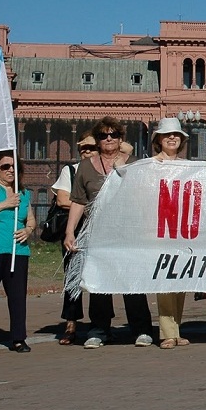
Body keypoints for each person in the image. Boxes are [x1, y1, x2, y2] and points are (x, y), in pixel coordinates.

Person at [64, 117, 154, 349]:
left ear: (121, 138)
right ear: (98, 139)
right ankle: (99, 329)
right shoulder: (85, 166)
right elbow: (78, 201)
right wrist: (69, 232)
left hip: (127, 233)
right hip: (97, 234)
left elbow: (144, 198)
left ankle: (142, 329)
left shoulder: (133, 163)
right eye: (104, 135)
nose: (109, 139)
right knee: (98, 281)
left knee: (131, 281)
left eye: (113, 134)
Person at [150, 118, 192, 349]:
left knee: (180, 279)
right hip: (160, 227)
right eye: (167, 135)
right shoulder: (150, 165)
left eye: (176, 134)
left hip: (183, 229)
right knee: (165, 280)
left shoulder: (188, 166)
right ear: (158, 139)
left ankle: (176, 329)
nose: (172, 138)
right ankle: (167, 332)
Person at [51, 134, 97, 345]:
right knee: (73, 277)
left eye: (91, 147)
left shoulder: (107, 169)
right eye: (83, 148)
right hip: (76, 230)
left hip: (98, 231)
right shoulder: (70, 170)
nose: (86, 151)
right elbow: (62, 199)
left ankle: (100, 324)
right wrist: (88, 208)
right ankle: (71, 322)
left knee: (98, 277)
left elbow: (125, 147)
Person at [0, 151, 37, 352]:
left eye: (14, 167)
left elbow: (31, 220)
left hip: (17, 252)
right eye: (5, 167)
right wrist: (5, 204)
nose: (11, 170)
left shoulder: (24, 193)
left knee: (18, 296)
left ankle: (18, 338)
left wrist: (27, 230)